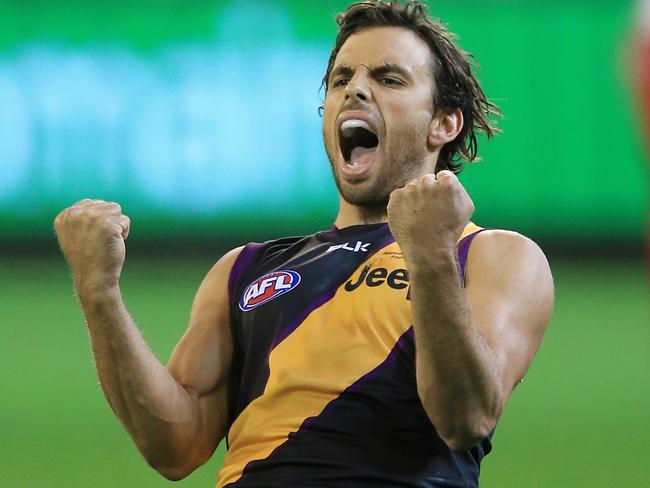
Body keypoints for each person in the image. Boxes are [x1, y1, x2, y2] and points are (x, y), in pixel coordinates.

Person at [54, 1, 554, 487]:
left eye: (388, 79)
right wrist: (100, 293)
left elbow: (466, 417)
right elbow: (174, 447)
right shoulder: (243, 269)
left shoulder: (492, 256)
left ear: (444, 123)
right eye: (342, 80)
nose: (356, 90)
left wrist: (431, 258)